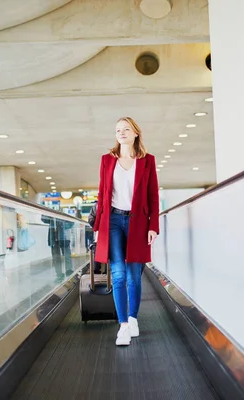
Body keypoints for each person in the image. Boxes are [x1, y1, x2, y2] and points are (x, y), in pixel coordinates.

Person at [93, 117, 159, 346]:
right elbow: (102, 195)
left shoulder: (147, 161)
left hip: (138, 222)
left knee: (133, 276)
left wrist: (153, 226)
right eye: (118, 130)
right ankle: (122, 326)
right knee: (118, 274)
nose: (121, 133)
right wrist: (98, 227)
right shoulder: (106, 160)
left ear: (135, 133)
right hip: (112, 220)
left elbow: (153, 196)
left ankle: (133, 319)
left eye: (126, 129)